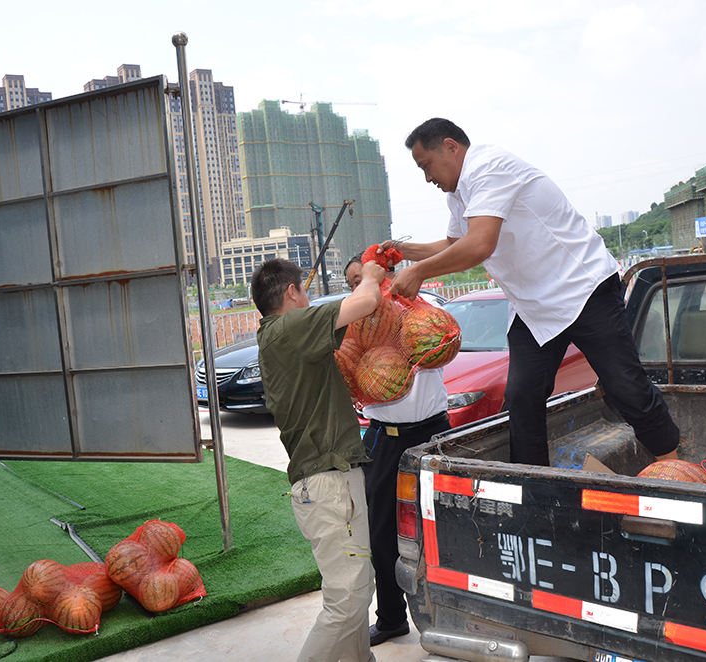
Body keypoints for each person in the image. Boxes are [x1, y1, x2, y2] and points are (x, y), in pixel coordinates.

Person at [384, 117, 680, 466]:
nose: (427, 178)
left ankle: (675, 467)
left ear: (451, 146)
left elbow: (478, 246)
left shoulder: (489, 167)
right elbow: (454, 243)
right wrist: (404, 252)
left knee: (624, 386)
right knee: (522, 396)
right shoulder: (458, 194)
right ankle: (533, 482)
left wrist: (418, 272)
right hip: (532, 306)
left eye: (426, 166)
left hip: (581, 289)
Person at [252, 257, 386, 662]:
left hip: (330, 482)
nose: (308, 299)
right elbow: (365, 302)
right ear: (291, 292)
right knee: (347, 602)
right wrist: (372, 276)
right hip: (329, 484)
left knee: (357, 591)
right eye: (304, 292)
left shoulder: (277, 336)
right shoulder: (289, 328)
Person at [344, 260, 450, 646]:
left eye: (369, 277)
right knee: (383, 534)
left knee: (444, 527)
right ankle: (391, 618)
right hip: (383, 439)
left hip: (433, 435)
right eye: (355, 282)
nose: (365, 286)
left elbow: (444, 342)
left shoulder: (416, 315)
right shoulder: (354, 333)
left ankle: (452, 613)